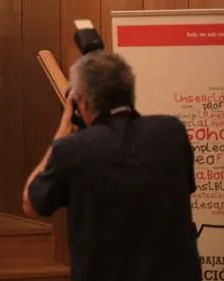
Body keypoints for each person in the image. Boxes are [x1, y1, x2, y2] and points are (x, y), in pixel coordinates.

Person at [24, 51, 201, 281]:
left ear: (81, 101)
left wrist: (63, 131)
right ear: (130, 91)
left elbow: (32, 204)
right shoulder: (172, 133)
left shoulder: (72, 149)